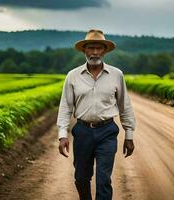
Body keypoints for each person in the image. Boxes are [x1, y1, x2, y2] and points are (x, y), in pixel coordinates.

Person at [56, 29, 136, 200]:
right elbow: (65, 107)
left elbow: (124, 106)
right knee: (81, 178)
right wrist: (63, 135)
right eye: (90, 48)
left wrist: (129, 135)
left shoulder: (116, 75)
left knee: (103, 180)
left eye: (98, 48)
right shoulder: (73, 76)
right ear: (84, 50)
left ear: (104, 51)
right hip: (82, 131)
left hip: (107, 131)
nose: (94, 52)